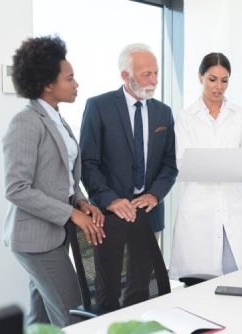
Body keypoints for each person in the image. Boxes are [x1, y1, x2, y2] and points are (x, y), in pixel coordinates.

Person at [3, 36, 105, 327]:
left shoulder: (57, 119)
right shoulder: (26, 122)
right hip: (34, 239)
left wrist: (82, 202)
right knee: (74, 317)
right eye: (70, 78)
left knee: (41, 320)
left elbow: (65, 179)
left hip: (54, 235)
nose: (77, 84)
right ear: (48, 84)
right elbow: (16, 188)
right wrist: (71, 213)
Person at [80, 43, 177, 310]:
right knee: (109, 289)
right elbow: (88, 163)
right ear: (126, 75)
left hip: (148, 213)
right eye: (147, 74)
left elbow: (170, 165)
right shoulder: (98, 106)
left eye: (156, 73)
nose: (155, 80)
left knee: (141, 284)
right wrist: (110, 200)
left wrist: (155, 194)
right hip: (110, 214)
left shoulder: (163, 113)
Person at [168, 53, 242, 279]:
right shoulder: (186, 118)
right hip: (198, 210)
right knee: (196, 282)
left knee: (233, 276)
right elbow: (183, 163)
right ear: (200, 77)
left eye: (224, 80)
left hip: (232, 208)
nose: (218, 86)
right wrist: (229, 167)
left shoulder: (240, 116)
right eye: (212, 79)